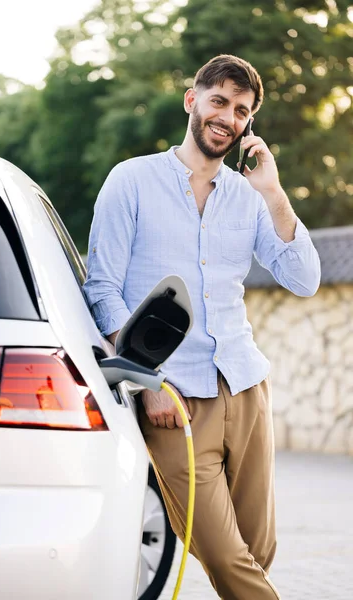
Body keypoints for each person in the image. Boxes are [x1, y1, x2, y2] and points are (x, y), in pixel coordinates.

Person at [84, 54, 321, 599]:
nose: (228, 117)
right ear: (193, 100)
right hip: (174, 396)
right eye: (219, 101)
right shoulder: (132, 181)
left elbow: (304, 278)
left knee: (255, 551)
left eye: (241, 111)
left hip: (246, 386)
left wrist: (275, 192)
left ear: (248, 124)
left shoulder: (252, 197)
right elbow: (102, 289)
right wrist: (147, 382)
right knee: (222, 550)